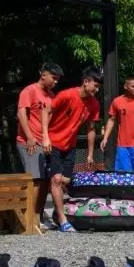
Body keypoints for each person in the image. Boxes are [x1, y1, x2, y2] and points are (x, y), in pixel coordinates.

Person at [45, 66, 102, 232]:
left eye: (99, 87)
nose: (97, 90)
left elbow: (91, 129)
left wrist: (91, 154)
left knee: (65, 181)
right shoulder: (66, 95)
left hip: (70, 145)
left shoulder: (94, 104)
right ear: (86, 82)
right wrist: (44, 136)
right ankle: (63, 220)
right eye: (96, 86)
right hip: (53, 142)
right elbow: (46, 111)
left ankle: (58, 210)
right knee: (56, 180)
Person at [16, 62, 62, 226]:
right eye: (53, 78)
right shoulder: (29, 91)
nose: (55, 82)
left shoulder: (51, 96)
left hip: (46, 143)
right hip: (30, 142)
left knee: (45, 180)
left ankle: (39, 215)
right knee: (35, 179)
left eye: (57, 80)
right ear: (43, 74)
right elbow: (21, 114)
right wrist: (29, 137)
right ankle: (30, 218)